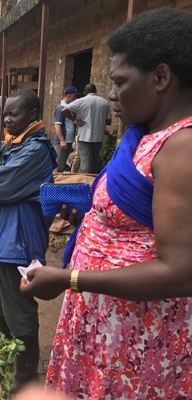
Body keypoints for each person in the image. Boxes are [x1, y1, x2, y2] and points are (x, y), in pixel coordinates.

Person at [21, 8, 192, 399]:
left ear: (161, 77)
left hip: (142, 337)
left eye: (119, 82)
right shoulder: (147, 135)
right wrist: (94, 216)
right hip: (109, 326)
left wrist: (70, 279)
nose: (111, 95)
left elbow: (182, 270)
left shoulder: (182, 147)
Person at [0, 88, 57, 391]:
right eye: (5, 113)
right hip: (1, 240)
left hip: (17, 242)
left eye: (13, 113)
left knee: (20, 317)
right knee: (4, 313)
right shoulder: (13, 144)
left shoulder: (36, 150)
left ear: (32, 115)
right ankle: (11, 372)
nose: (6, 119)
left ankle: (26, 383)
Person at [62, 83, 111, 174]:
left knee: (86, 162)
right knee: (95, 160)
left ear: (85, 92)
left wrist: (76, 121)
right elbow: (108, 122)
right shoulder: (104, 102)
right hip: (98, 137)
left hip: (84, 137)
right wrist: (98, 121)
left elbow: (64, 110)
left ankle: (87, 183)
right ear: (96, 91)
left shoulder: (81, 101)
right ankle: (94, 182)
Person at [53, 86, 78, 172]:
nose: (75, 98)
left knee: (62, 163)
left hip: (68, 140)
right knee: (58, 164)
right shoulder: (61, 108)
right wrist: (62, 140)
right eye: (74, 96)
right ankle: (53, 183)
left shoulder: (68, 108)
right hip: (63, 141)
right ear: (69, 95)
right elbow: (57, 126)